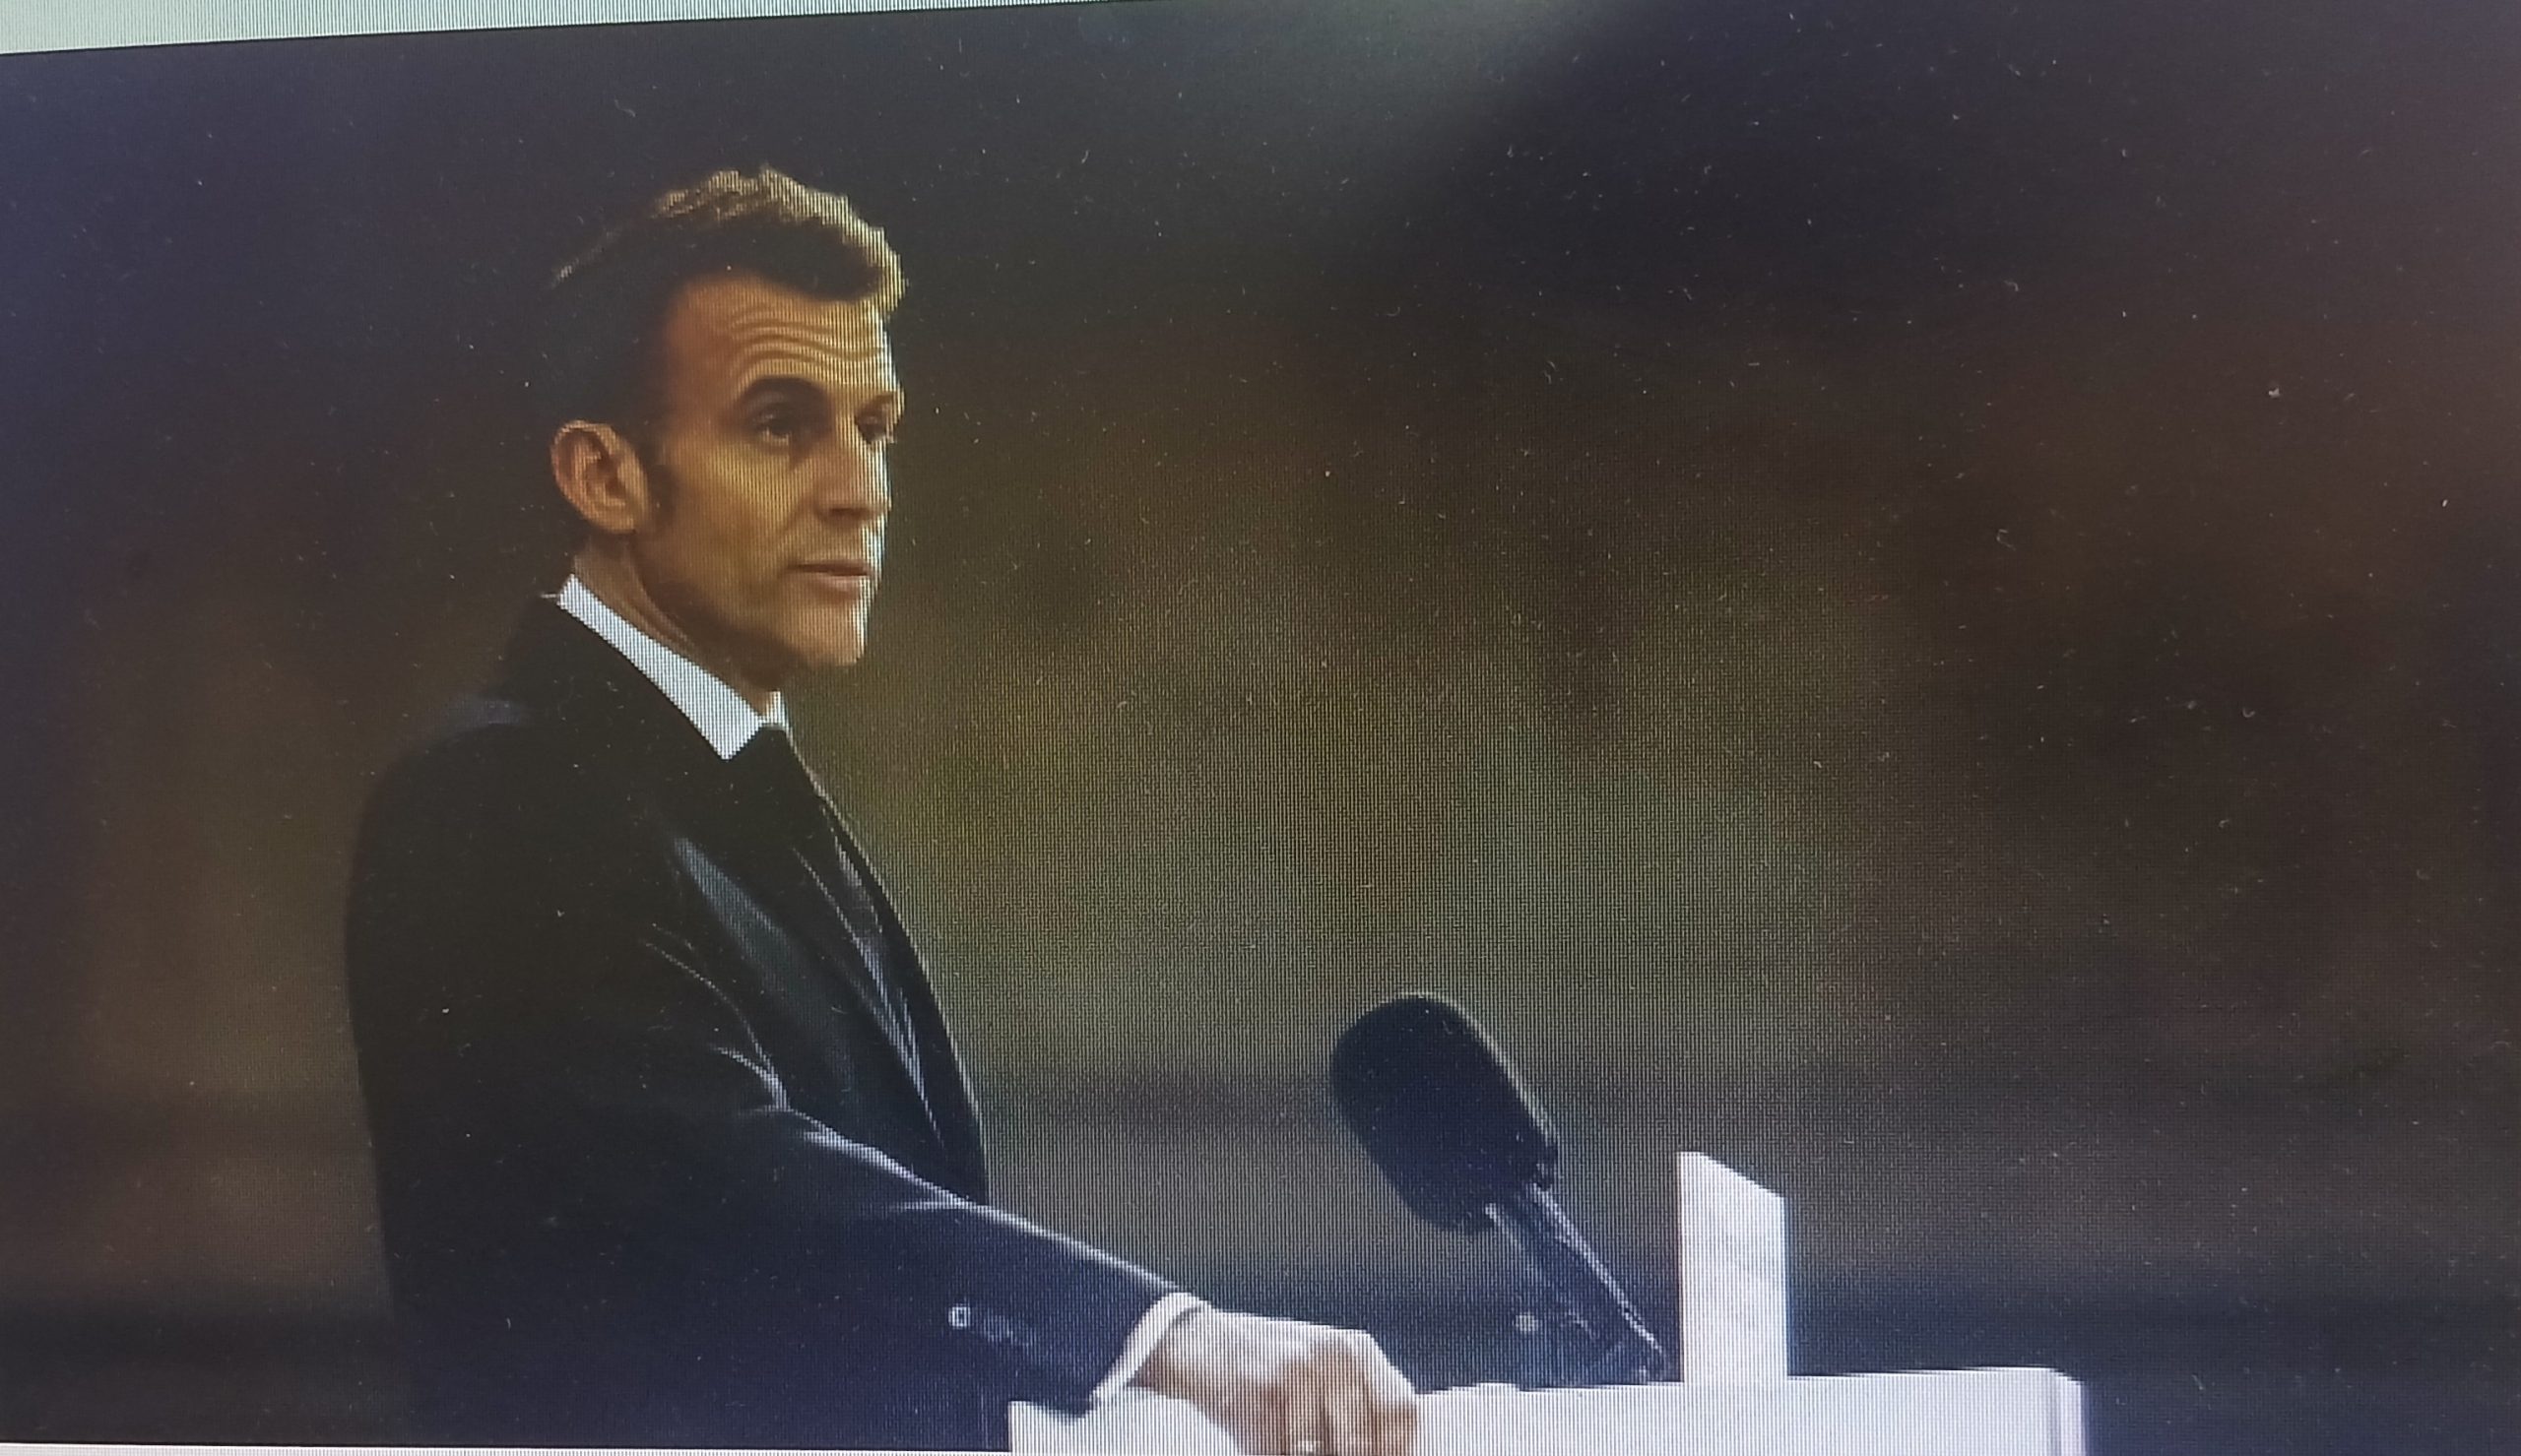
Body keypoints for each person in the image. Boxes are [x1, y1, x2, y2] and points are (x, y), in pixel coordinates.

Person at [344, 167, 1418, 1456]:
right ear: (605, 475)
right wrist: (1175, 1342)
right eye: (780, 425)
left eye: (875, 427)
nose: (863, 491)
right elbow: (734, 1193)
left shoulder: (714, 780)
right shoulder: (496, 794)